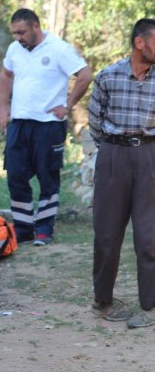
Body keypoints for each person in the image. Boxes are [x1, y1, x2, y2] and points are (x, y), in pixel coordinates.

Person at [0, 8, 93, 245]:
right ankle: (23, 227)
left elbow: (85, 75)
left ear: (35, 27)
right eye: (14, 33)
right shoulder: (14, 49)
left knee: (47, 176)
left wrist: (68, 105)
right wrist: (3, 107)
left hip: (49, 125)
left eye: (22, 32)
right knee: (16, 175)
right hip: (19, 122)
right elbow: (6, 75)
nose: (18, 37)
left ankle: (44, 228)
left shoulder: (59, 48)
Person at [88, 18, 155, 329]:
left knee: (149, 235)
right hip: (113, 155)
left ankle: (149, 305)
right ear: (140, 42)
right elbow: (95, 121)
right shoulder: (108, 76)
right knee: (107, 233)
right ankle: (103, 300)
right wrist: (114, 150)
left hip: (150, 156)